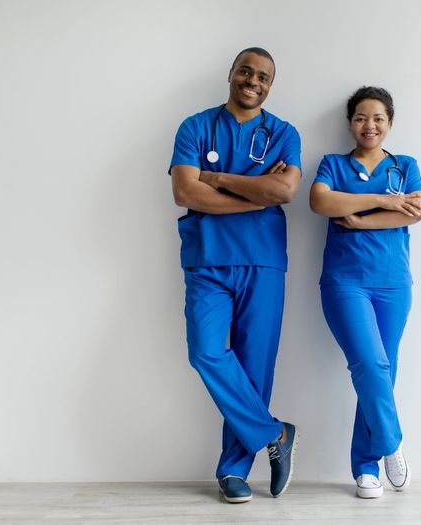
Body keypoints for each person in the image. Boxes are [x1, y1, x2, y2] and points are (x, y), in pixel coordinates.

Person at [169, 47, 301, 503]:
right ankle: (274, 433)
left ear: (269, 85)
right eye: (246, 71)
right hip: (207, 260)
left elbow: (284, 189)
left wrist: (218, 178)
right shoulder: (195, 126)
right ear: (231, 73)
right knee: (206, 352)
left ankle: (232, 471)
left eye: (263, 76)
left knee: (254, 367)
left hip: (263, 262)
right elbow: (186, 191)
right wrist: (256, 194)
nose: (253, 80)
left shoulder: (283, 133)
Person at [309, 86, 421, 499]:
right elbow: (320, 202)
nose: (369, 125)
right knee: (371, 365)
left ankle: (364, 466)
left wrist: (359, 220)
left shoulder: (405, 165)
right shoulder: (333, 165)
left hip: (394, 283)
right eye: (361, 117)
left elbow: (418, 209)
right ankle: (391, 445)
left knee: (383, 371)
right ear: (350, 123)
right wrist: (382, 201)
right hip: (345, 282)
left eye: (377, 118)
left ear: (389, 123)